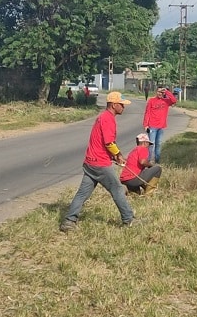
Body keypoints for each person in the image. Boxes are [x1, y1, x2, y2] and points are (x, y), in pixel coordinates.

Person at [60, 91, 136, 231]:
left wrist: (113, 156)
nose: (123, 107)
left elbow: (104, 142)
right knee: (118, 189)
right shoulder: (108, 119)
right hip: (100, 164)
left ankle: (69, 221)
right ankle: (129, 219)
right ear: (114, 105)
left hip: (90, 162)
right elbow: (109, 143)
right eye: (121, 105)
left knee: (82, 193)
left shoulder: (103, 117)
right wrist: (118, 155)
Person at [142, 86, 177, 163]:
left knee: (158, 144)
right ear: (156, 92)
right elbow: (147, 113)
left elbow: (174, 101)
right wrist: (145, 125)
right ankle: (148, 161)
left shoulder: (166, 101)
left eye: (161, 92)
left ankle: (157, 161)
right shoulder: (151, 101)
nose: (160, 93)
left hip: (161, 127)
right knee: (151, 144)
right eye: (158, 91)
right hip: (152, 126)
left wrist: (167, 92)